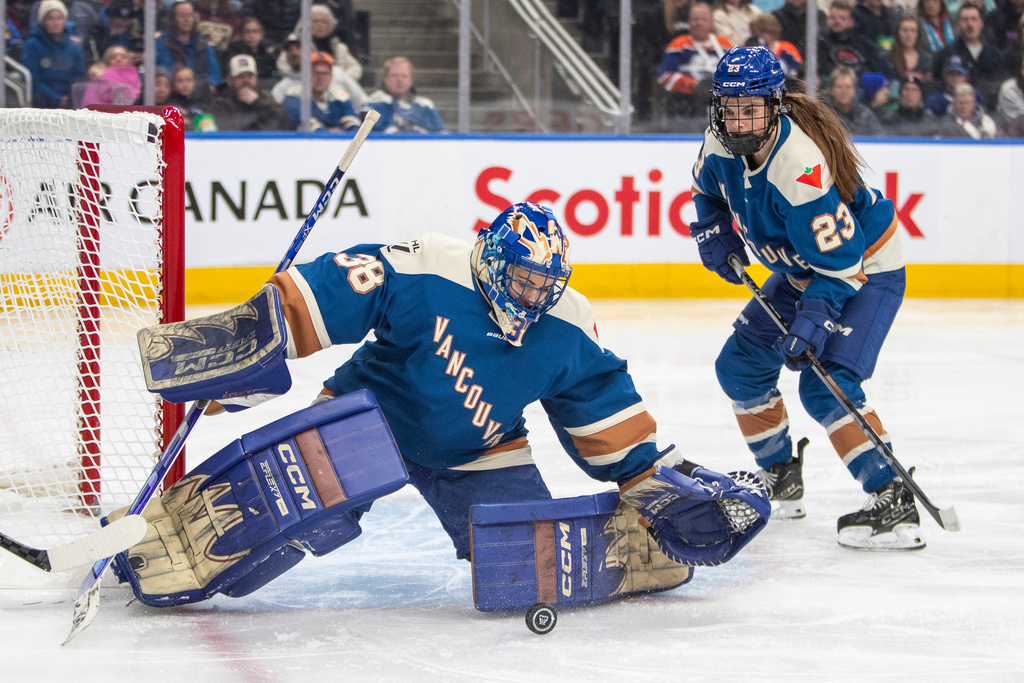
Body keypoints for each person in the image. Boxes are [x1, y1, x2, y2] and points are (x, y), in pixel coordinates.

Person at [103, 202, 771, 609]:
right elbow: (339, 286)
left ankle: (645, 546)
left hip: (480, 448)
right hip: (371, 416)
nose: (532, 294)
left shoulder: (568, 323)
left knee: (527, 560)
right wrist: (264, 332)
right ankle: (152, 536)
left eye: (545, 283)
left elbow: (602, 407)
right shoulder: (430, 265)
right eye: (522, 278)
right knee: (283, 504)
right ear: (492, 259)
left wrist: (652, 480)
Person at [687, 46, 925, 550]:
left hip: (865, 269)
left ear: (774, 107)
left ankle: (892, 494)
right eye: (729, 105)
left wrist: (815, 317)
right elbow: (705, 192)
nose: (738, 117)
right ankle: (781, 475)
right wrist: (711, 228)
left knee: (826, 385)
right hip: (804, 270)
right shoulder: (718, 142)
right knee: (740, 366)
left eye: (750, 106)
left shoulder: (800, 168)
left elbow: (841, 266)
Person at [657, 3, 733, 116]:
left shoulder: (724, 44)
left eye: (704, 19)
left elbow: (737, 72)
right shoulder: (678, 44)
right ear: (689, 22)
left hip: (721, 96)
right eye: (695, 19)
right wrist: (693, 84)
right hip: (688, 99)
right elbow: (666, 76)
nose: (699, 23)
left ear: (711, 23)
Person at [933, 4, 1007, 109]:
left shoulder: (995, 54)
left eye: (974, 19)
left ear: (982, 23)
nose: (970, 24)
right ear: (958, 24)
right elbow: (939, 85)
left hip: (990, 109)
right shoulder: (945, 54)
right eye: (965, 20)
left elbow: (1000, 84)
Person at [272, 31, 367, 111]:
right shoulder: (282, 88)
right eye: (289, 49)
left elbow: (363, 103)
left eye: (299, 48)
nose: (294, 53)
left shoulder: (336, 73)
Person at [20, 0, 87, 109]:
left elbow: (79, 78)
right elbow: (33, 82)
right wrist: (55, 99)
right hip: (41, 103)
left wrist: (69, 99)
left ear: (65, 20)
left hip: (69, 104)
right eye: (50, 18)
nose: (55, 23)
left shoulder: (74, 47)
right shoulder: (32, 45)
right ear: (43, 21)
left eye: (59, 18)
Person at [155, 0, 223, 105]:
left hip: (202, 98)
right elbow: (166, 73)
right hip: (173, 99)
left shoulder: (203, 44)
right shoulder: (162, 43)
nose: (186, 19)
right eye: (182, 16)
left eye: (189, 15)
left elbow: (214, 75)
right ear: (173, 19)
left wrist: (200, 88)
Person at [208, 53, 292, 131]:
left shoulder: (265, 98)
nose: (246, 80)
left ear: (256, 77)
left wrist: (258, 102)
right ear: (230, 79)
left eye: (249, 76)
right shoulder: (221, 101)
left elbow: (281, 124)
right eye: (240, 76)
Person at [365, 56, 447, 133]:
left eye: (404, 76)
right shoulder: (374, 103)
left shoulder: (425, 105)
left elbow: (443, 134)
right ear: (385, 79)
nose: (399, 80)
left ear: (411, 79)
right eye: (395, 76)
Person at [281, 51, 360, 132]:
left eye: (325, 73)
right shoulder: (294, 95)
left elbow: (353, 127)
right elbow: (310, 128)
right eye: (316, 73)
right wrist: (333, 133)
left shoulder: (339, 96)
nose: (320, 78)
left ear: (331, 77)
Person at [817, 0, 894, 80]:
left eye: (842, 18)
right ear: (827, 20)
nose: (837, 21)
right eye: (833, 17)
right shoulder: (820, 43)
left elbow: (882, 69)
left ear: (851, 22)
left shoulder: (862, 43)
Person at [301, 3, 362, 83]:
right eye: (316, 21)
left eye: (324, 22)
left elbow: (355, 68)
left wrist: (341, 79)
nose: (320, 25)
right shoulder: (300, 46)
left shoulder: (339, 47)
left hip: (336, 87)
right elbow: (284, 65)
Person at [827, 65, 886, 135]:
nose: (844, 91)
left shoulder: (865, 114)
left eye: (848, 87)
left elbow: (880, 137)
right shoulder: (825, 115)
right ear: (832, 90)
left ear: (854, 90)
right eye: (839, 87)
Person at [225, 16, 278, 86]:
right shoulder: (234, 50)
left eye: (255, 31)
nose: (251, 36)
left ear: (261, 34)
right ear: (241, 34)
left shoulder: (267, 50)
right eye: (247, 32)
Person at [748, 13, 802, 78]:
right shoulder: (748, 51)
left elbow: (798, 72)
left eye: (763, 32)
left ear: (773, 32)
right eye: (754, 32)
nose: (759, 36)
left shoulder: (786, 48)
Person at [888, 15, 934, 84]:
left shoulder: (927, 60)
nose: (909, 35)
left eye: (913, 31)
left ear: (918, 34)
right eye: (905, 30)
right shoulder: (888, 58)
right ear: (898, 33)